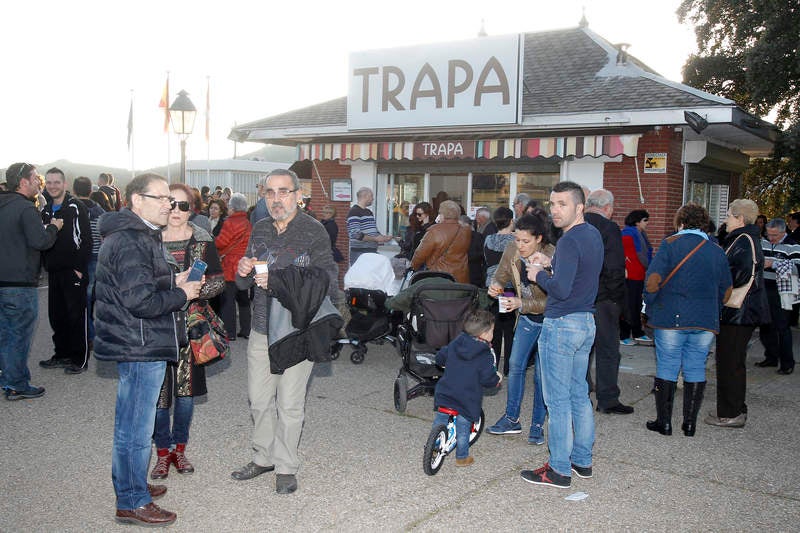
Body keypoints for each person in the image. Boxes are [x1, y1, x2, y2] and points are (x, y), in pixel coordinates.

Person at [94, 173, 203, 526]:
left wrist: (172, 280)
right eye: (159, 198)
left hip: (139, 341)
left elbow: (138, 282)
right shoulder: (130, 240)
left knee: (131, 425)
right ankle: (131, 501)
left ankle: (131, 486)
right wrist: (182, 294)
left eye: (169, 199)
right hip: (140, 343)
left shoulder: (135, 236)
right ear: (135, 200)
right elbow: (140, 300)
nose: (168, 205)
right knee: (135, 430)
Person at [231, 169, 340, 495]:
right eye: (270, 193)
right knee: (259, 400)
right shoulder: (260, 228)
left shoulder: (314, 231)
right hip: (262, 329)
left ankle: (286, 465)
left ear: (297, 195)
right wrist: (242, 272)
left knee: (290, 404)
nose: (276, 199)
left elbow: (329, 283)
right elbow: (242, 284)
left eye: (283, 192)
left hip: (297, 329)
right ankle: (263, 456)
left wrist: (280, 281)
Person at [520, 181, 603, 489]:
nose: (555, 210)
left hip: (562, 324)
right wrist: (551, 262)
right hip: (585, 323)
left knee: (558, 400)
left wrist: (538, 274)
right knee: (579, 395)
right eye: (553, 204)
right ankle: (582, 461)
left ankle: (558, 469)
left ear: (579, 207)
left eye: (562, 204)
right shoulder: (591, 234)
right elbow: (579, 273)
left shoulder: (569, 240)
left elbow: (562, 288)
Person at [150, 183, 225, 480]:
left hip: (192, 327)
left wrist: (197, 290)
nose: (177, 211)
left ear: (191, 209)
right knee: (158, 397)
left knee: (185, 396)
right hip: (156, 325)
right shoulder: (148, 240)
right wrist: (172, 287)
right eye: (172, 204)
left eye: (184, 205)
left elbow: (219, 281)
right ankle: (162, 453)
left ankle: (179, 450)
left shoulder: (203, 241)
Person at [642, 203, 731, 437]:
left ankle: (665, 422)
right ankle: (689, 424)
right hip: (705, 319)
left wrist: (648, 303)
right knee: (695, 367)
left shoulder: (670, 244)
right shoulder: (717, 250)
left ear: (680, 223)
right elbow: (727, 289)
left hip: (671, 315)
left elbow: (653, 280)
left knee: (668, 365)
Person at [486, 214, 555, 444]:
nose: (520, 246)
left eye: (526, 241)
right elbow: (502, 274)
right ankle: (511, 419)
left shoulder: (553, 257)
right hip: (526, 319)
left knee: (540, 375)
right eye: (517, 240)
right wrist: (496, 285)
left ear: (539, 239)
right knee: (515, 366)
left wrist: (521, 303)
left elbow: (555, 301)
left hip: (550, 321)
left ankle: (537, 426)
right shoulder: (512, 250)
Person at [704, 199, 769, 430]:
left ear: (740, 219)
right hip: (743, 312)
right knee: (734, 362)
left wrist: (717, 284)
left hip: (738, 312)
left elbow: (736, 276)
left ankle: (730, 413)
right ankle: (734, 408)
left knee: (729, 363)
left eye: (729, 215)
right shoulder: (748, 238)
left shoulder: (743, 240)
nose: (725, 220)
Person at [0, 163, 61, 400]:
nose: (40, 182)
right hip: (19, 284)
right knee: (18, 335)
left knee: (4, 333)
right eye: (36, 178)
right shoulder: (26, 209)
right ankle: (16, 384)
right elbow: (40, 241)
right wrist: (54, 228)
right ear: (23, 182)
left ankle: (7, 375)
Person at [584, 189, 634, 415]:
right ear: (608, 208)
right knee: (607, 350)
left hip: (580, 298)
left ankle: (582, 392)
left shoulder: (576, 224)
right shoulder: (609, 227)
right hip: (604, 299)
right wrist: (616, 299)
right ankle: (608, 399)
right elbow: (615, 267)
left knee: (582, 349)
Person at [39, 167, 92, 374]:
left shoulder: (75, 207)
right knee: (57, 315)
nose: (52, 186)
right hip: (54, 271)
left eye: (56, 182)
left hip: (73, 271)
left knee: (76, 315)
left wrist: (79, 268)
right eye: (49, 182)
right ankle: (61, 354)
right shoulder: (45, 209)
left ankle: (79, 359)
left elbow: (86, 239)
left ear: (65, 184)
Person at [432, 309, 502, 466]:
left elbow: (441, 356)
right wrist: (496, 380)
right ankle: (462, 457)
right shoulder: (485, 354)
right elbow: (487, 378)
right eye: (492, 331)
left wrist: (444, 361)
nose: (493, 334)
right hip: (466, 398)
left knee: (440, 419)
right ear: (484, 333)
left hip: (445, 392)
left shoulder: (459, 340)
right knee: (463, 428)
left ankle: (435, 443)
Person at [757, 218, 798, 374]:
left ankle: (787, 363)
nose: (771, 237)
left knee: (782, 327)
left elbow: (797, 267)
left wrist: (773, 264)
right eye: (769, 234)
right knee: (765, 325)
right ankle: (771, 357)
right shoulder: (764, 242)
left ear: (783, 231)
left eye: (774, 235)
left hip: (782, 289)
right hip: (763, 287)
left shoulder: (793, 245)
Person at [72, 176, 106, 351]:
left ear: (74, 190)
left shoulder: (71, 209)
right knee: (92, 298)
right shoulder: (100, 211)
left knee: (81, 299)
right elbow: (104, 237)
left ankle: (88, 335)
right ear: (91, 191)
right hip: (97, 258)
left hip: (77, 259)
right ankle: (93, 333)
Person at [215, 193, 253, 340]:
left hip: (230, 266)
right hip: (244, 265)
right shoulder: (248, 223)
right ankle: (246, 330)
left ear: (233, 208)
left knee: (228, 300)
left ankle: (229, 332)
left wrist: (214, 241)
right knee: (243, 299)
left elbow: (221, 242)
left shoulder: (229, 222)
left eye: (229, 206)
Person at [483, 207, 516, 375]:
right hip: (509, 287)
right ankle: (509, 368)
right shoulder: (516, 241)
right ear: (511, 221)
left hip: (491, 286)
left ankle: (492, 366)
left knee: (493, 328)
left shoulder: (488, 239)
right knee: (509, 329)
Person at [411, 200, 471, 283]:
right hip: (461, 277)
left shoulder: (434, 231)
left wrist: (414, 266)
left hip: (440, 278)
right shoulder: (466, 230)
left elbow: (420, 254)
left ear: (442, 214)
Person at [620, 209, 653, 345]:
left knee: (636, 305)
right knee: (629, 306)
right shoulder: (629, 234)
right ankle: (625, 334)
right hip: (631, 275)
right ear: (637, 221)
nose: (647, 223)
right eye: (645, 220)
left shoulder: (639, 234)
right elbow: (638, 256)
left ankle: (636, 331)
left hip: (638, 275)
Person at [346, 187, 393, 265]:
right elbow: (356, 234)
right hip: (360, 253)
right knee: (361, 276)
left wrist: (383, 238)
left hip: (371, 251)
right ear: (364, 196)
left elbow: (374, 230)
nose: (373, 198)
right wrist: (376, 238)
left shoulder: (368, 212)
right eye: (371, 196)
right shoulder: (354, 211)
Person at [460, 215, 486, 287]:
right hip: (473, 273)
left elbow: (483, 254)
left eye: (462, 226)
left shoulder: (477, 236)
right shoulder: (458, 237)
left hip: (474, 272)